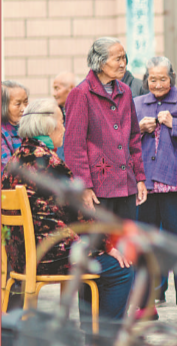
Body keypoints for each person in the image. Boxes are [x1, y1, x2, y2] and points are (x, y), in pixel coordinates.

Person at [1, 98, 134, 334]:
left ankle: (91, 330)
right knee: (120, 268)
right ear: (50, 126)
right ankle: (104, 338)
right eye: (63, 122)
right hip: (50, 256)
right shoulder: (50, 162)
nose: (65, 128)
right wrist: (107, 245)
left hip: (20, 256)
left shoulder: (15, 159)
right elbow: (79, 214)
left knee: (93, 254)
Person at [134, 56, 177, 324]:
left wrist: (175, 123)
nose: (158, 83)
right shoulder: (136, 105)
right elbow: (122, 138)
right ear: (146, 80)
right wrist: (139, 128)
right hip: (144, 188)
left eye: (163, 78)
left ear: (172, 77)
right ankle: (144, 305)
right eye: (153, 79)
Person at [64, 37, 148, 218]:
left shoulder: (125, 91)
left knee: (126, 243)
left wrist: (140, 178)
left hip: (127, 185)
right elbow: (74, 147)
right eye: (117, 59)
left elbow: (134, 138)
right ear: (100, 63)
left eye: (124, 58)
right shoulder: (80, 94)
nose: (123, 64)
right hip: (98, 189)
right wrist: (84, 186)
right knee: (102, 244)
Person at [1, 81, 29, 169]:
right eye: (18, 104)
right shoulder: (2, 133)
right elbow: (8, 169)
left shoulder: (26, 127)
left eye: (25, 102)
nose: (24, 108)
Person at [52, 72, 77, 161]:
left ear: (71, 88)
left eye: (57, 88)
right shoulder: (57, 115)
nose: (54, 94)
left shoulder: (81, 115)